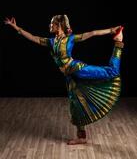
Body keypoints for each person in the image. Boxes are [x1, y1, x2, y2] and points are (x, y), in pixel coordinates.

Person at [4, 15, 124, 145]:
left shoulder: (70, 39)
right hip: (70, 77)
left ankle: (118, 42)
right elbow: (34, 38)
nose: (50, 26)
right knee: (76, 105)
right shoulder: (51, 42)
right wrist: (16, 27)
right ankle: (82, 137)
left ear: (59, 25)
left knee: (112, 72)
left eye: (52, 24)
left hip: (78, 69)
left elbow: (92, 33)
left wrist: (111, 30)